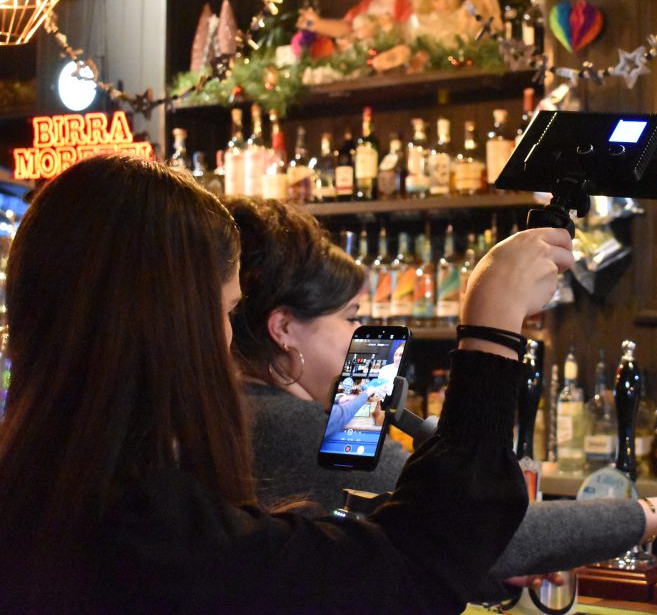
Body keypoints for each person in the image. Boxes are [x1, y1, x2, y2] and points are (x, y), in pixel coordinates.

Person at [0, 155, 571, 611]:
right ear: (170, 323)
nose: (226, 339)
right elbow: (412, 566)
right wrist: (493, 330)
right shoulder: (152, 528)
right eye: (225, 312)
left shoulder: (44, 497)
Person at [225, 196, 657, 582]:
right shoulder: (303, 429)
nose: (362, 335)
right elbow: (480, 525)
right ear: (284, 328)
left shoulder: (236, 413)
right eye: (351, 317)